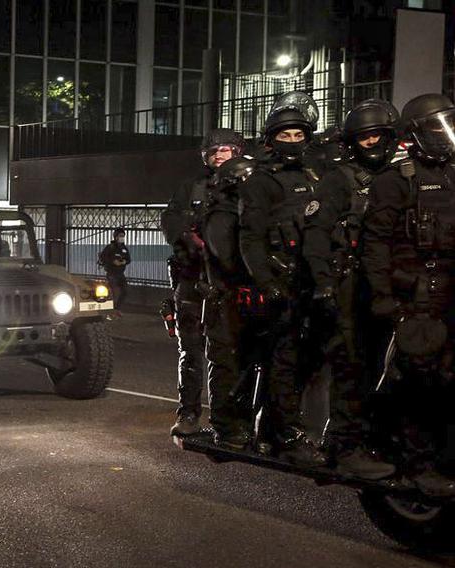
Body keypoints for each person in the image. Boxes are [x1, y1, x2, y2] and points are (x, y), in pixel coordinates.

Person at [361, 93, 455, 497]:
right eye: (435, 127)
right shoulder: (396, 180)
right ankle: (415, 466)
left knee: (446, 384)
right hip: (416, 296)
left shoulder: (453, 174)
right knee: (418, 385)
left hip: (450, 296)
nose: (445, 135)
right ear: (414, 136)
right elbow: (376, 244)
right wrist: (384, 296)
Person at [302, 100, 400, 479]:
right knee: (352, 365)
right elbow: (316, 235)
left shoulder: (399, 177)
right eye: (364, 136)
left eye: (377, 134)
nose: (372, 141)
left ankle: (365, 438)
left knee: (385, 367)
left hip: (388, 284)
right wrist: (324, 284)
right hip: (348, 285)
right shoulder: (339, 179)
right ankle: (344, 446)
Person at [238, 92, 326, 466]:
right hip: (281, 281)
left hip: (314, 281)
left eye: (298, 135)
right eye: (284, 135)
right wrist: (267, 282)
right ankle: (285, 434)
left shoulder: (316, 174)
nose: (292, 141)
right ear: (271, 138)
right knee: (283, 361)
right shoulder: (261, 181)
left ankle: (278, 426)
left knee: (313, 361)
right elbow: (250, 238)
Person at [163, 128, 244, 436]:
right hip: (193, 278)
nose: (220, 155)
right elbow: (171, 221)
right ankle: (188, 413)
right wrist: (188, 237)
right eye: (214, 152)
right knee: (191, 350)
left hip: (230, 281)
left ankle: (226, 418)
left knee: (226, 351)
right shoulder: (191, 187)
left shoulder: (248, 185)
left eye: (226, 150)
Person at [198, 155, 270, 447]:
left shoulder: (250, 212)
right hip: (225, 302)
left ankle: (252, 423)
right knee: (228, 365)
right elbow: (230, 260)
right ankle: (226, 427)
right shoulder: (221, 216)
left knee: (255, 361)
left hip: (249, 302)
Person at [98, 228, 131, 313]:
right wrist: (113, 261)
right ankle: (111, 310)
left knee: (125, 291)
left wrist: (124, 261)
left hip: (120, 274)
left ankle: (117, 308)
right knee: (114, 292)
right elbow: (102, 257)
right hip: (111, 273)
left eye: (123, 236)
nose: (122, 238)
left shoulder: (124, 248)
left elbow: (129, 259)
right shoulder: (110, 247)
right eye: (120, 236)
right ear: (116, 237)